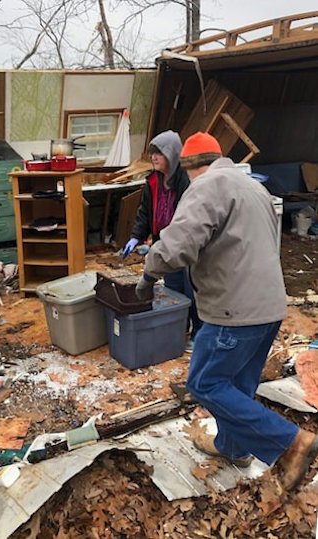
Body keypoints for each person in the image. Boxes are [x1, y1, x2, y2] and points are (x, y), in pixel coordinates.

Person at [136, 131, 318, 491]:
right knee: (239, 385)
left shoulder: (206, 187)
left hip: (234, 309)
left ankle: (292, 441)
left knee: (204, 383)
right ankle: (233, 447)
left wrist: (149, 270)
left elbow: (179, 244)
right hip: (269, 306)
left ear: (188, 168)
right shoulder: (254, 187)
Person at [122, 130, 202, 342]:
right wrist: (135, 236)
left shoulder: (185, 182)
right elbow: (145, 212)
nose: (154, 157)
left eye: (160, 153)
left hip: (182, 242)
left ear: (172, 155)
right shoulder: (153, 181)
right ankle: (178, 327)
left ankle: (198, 332)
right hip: (162, 241)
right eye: (153, 153)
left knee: (190, 289)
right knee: (173, 288)